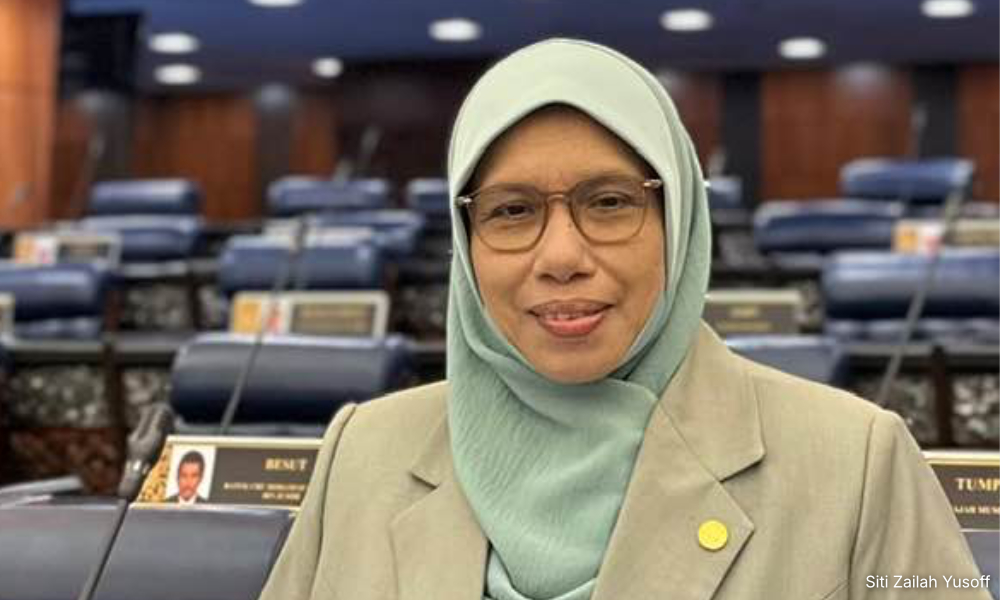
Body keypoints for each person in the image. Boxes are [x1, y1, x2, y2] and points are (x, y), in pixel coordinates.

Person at [259, 39, 990, 600]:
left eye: (609, 203)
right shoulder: (363, 454)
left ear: (679, 220)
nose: (561, 256)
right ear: (465, 240)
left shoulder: (857, 463)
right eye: (511, 211)